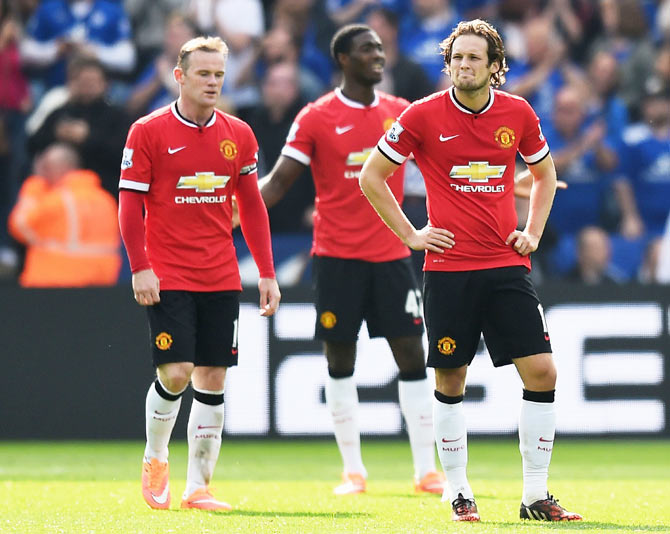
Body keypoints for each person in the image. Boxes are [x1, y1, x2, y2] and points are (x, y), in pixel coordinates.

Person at [359, 19, 582, 522]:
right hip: (449, 268)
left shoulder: (518, 113)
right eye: (456, 58)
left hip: (506, 264)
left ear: (495, 67)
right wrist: (412, 235)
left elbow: (545, 176)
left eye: (473, 58)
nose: (462, 65)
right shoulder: (421, 116)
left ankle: (534, 495)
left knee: (543, 371)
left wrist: (533, 232)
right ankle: (458, 491)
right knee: (451, 377)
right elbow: (372, 176)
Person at [259, 24, 446, 496]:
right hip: (337, 258)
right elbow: (279, 183)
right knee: (340, 358)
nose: (378, 55)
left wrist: (512, 184)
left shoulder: (400, 112)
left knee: (412, 356)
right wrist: (233, 212)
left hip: (392, 257)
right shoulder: (316, 116)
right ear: (342, 58)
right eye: (367, 49)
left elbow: (445, 165)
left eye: (381, 48)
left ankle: (426, 469)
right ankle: (353, 471)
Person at [118, 36, 280, 511]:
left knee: (212, 377)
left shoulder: (239, 134)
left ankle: (198, 488)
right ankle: (155, 456)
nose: (213, 82)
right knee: (177, 371)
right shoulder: (147, 131)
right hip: (167, 273)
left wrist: (266, 273)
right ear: (180, 76)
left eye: (219, 75)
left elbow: (251, 207)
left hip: (222, 276)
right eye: (204, 74)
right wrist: (140, 267)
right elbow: (129, 207)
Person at [8, 142, 121, 287]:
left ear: (60, 167)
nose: (42, 173)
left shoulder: (55, 200)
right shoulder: (106, 200)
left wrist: (33, 187)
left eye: (46, 167)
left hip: (55, 280)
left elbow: (19, 226)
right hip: (102, 281)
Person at [28, 54, 130, 195]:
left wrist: (88, 138)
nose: (87, 87)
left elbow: (125, 156)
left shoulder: (118, 116)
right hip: (58, 191)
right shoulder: (61, 112)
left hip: (103, 191)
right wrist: (56, 133)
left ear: (105, 84)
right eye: (82, 81)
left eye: (92, 81)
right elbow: (32, 144)